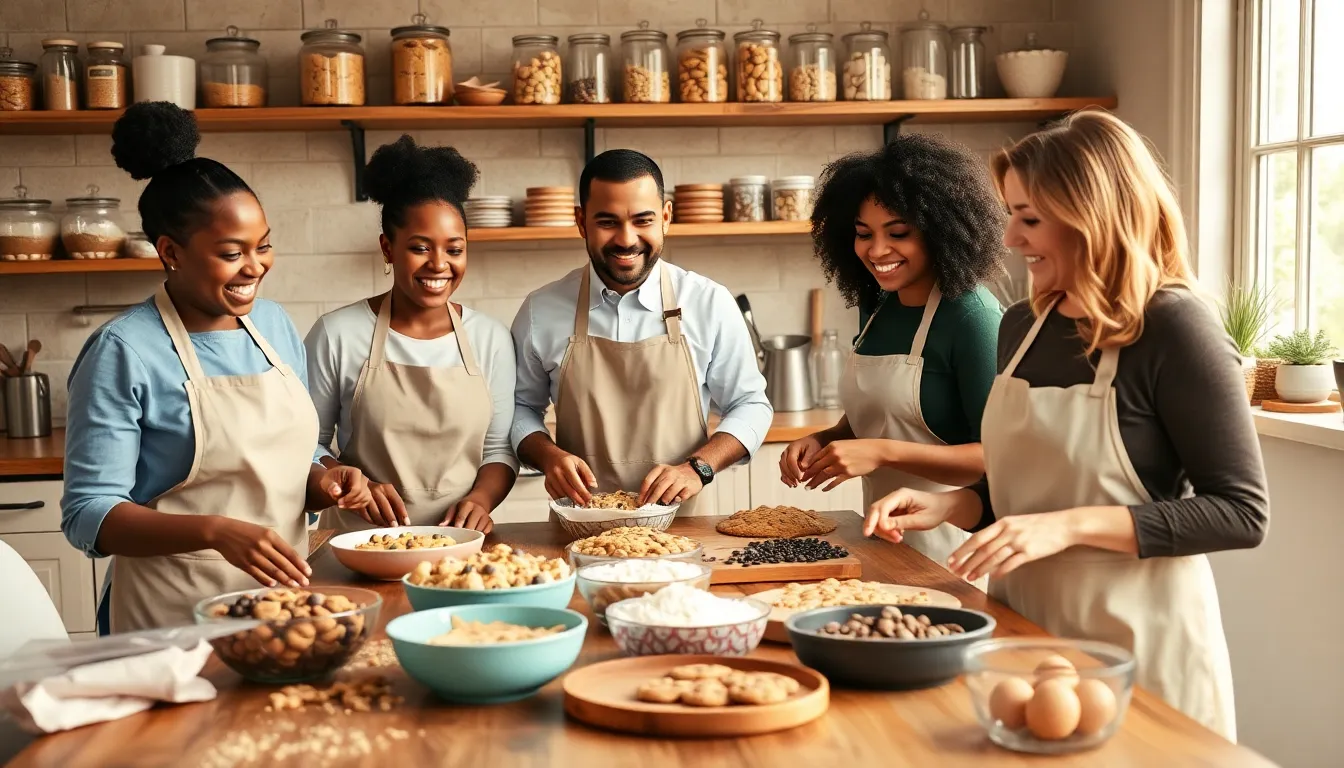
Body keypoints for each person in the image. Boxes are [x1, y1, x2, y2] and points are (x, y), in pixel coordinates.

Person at [864, 110, 1269, 740]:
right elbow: (1028, 494)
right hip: (1025, 631)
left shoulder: (1174, 328)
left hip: (1140, 640)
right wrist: (953, 505)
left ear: (1092, 216)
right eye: (1011, 215)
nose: (1010, 239)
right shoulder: (1020, 327)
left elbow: (1241, 513)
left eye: (1030, 219)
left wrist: (1066, 527)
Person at [60, 103, 371, 634]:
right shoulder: (124, 349)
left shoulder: (271, 324)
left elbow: (288, 457)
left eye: (264, 246)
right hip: (168, 617)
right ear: (171, 251)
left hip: (283, 608)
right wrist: (215, 531)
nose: (255, 267)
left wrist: (326, 479)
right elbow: (88, 513)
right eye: (232, 252)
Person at [778, 135, 1006, 582]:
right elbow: (879, 414)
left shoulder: (972, 318)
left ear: (941, 229)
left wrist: (881, 454)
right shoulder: (878, 306)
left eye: (898, 233)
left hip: (954, 551)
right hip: (882, 540)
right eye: (864, 234)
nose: (877, 251)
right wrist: (826, 439)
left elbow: (997, 457)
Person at [511, 150, 772, 512]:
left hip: (686, 530)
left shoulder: (709, 303)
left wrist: (698, 467)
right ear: (581, 221)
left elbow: (751, 405)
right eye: (607, 222)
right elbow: (520, 407)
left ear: (665, 217)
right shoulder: (540, 311)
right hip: (578, 530)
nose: (626, 239)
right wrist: (548, 456)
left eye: (642, 220)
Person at [306, 136, 517, 533]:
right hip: (358, 541)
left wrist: (480, 500)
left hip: (461, 546)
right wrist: (350, 479)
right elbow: (306, 444)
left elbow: (498, 449)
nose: (439, 264)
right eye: (421, 248)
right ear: (388, 248)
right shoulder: (337, 334)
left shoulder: (490, 338)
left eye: (454, 250)